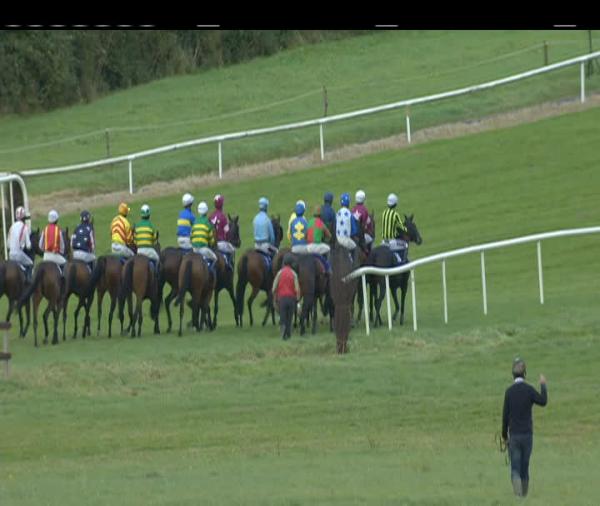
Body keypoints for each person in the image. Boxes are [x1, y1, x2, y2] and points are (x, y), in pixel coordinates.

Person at [502, 358, 548, 498]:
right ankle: (524, 497)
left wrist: (504, 436)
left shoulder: (509, 392)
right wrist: (543, 385)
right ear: (525, 374)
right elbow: (543, 401)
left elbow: (505, 416)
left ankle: (518, 495)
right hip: (527, 435)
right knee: (525, 467)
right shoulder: (529, 390)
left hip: (514, 436)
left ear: (513, 374)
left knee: (515, 468)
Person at [272, 253, 301, 340]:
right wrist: (298, 300)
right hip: (291, 299)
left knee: (283, 316)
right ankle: (288, 334)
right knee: (289, 317)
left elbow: (274, 288)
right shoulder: (294, 274)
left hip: (282, 299)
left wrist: (275, 298)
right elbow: (297, 289)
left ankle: (283, 333)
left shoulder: (279, 273)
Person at [7, 206, 33, 282]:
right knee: (30, 263)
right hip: (18, 254)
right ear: (24, 218)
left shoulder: (11, 227)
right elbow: (28, 246)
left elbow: (8, 245)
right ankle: (28, 282)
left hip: (10, 255)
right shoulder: (25, 227)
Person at [209, 194, 235, 269]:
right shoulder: (223, 217)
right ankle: (229, 266)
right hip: (221, 243)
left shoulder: (210, 216)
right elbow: (227, 232)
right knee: (233, 250)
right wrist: (228, 239)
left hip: (212, 244)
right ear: (221, 205)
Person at [381, 193, 408, 264]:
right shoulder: (395, 214)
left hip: (383, 242)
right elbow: (402, 226)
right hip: (391, 242)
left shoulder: (384, 213)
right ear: (395, 203)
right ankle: (402, 262)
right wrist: (406, 230)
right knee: (405, 245)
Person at [306, 204, 332, 273]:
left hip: (308, 247)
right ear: (320, 215)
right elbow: (329, 236)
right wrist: (325, 239)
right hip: (317, 246)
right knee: (328, 249)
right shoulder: (321, 223)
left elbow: (305, 236)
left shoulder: (309, 222)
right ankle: (328, 268)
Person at [133, 204, 160, 270]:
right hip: (149, 251)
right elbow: (154, 240)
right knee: (158, 259)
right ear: (149, 215)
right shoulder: (151, 226)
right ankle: (156, 274)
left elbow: (135, 240)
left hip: (139, 251)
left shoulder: (137, 226)